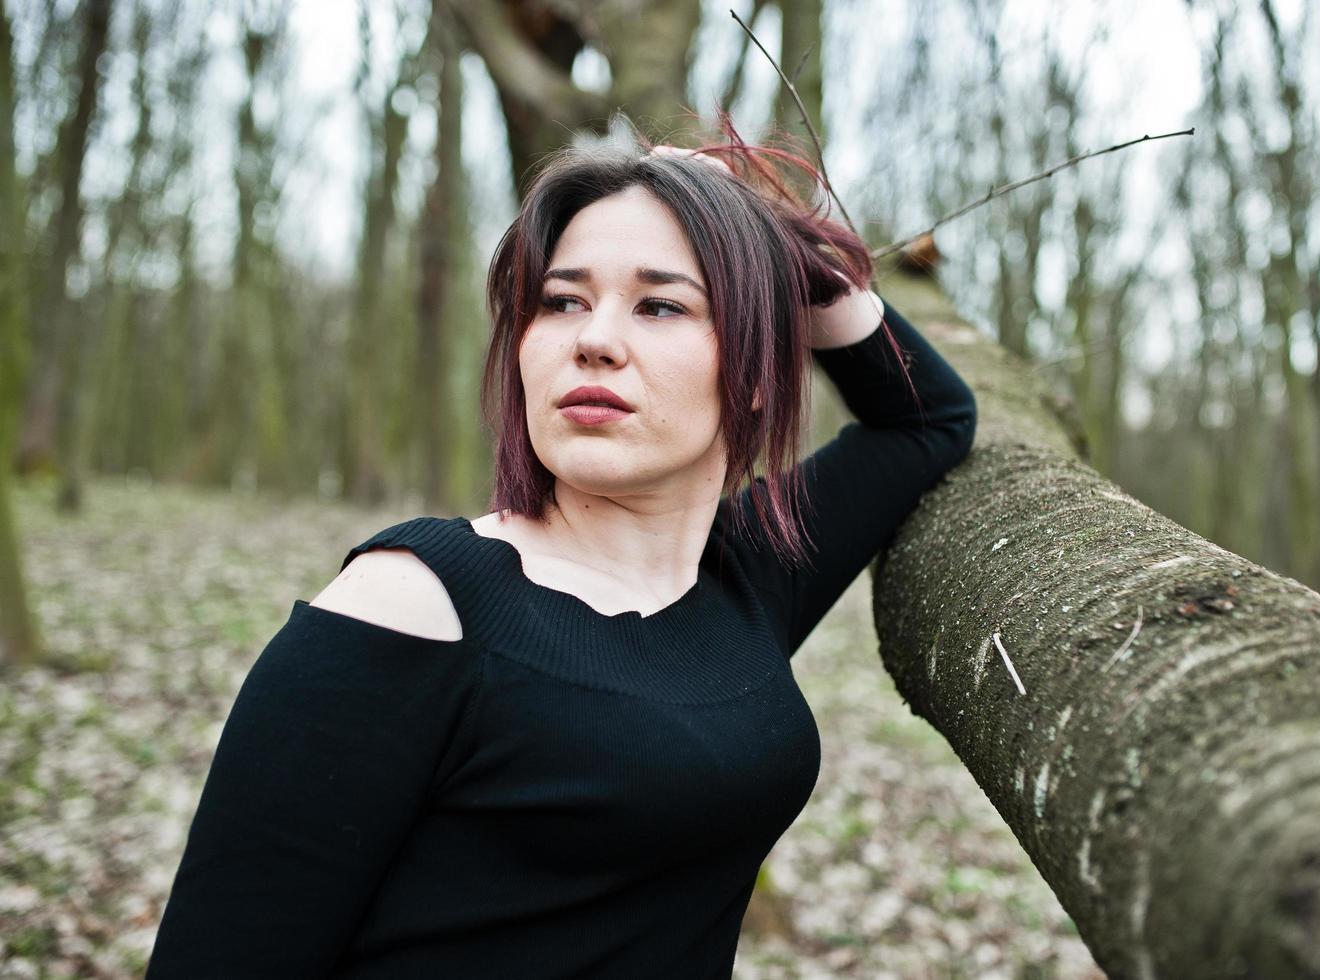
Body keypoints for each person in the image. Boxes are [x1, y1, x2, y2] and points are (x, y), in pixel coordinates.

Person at [145, 127, 977, 978]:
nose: (594, 339)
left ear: (758, 370)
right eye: (561, 301)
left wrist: (777, 244)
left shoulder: (745, 578)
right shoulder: (410, 608)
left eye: (660, 305)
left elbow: (927, 419)